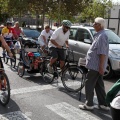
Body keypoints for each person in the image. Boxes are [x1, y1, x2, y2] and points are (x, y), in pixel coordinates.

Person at [79, 17, 109, 110]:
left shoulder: (101, 36)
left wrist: (100, 67)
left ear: (100, 25)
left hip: (95, 66)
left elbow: (102, 53)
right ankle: (103, 104)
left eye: (95, 23)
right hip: (96, 65)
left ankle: (89, 104)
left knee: (89, 84)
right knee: (99, 84)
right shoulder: (99, 35)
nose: (93, 24)